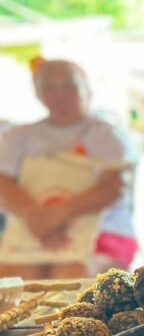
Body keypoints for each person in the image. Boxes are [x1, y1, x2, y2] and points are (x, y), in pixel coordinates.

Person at [0, 59, 136, 278]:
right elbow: (3, 184)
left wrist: (58, 215)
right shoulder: (18, 137)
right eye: (49, 87)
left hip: (104, 234)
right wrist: (36, 218)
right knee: (11, 279)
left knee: (72, 275)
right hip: (31, 232)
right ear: (38, 93)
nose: (59, 94)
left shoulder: (106, 135)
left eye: (68, 85)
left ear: (86, 89)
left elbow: (113, 187)